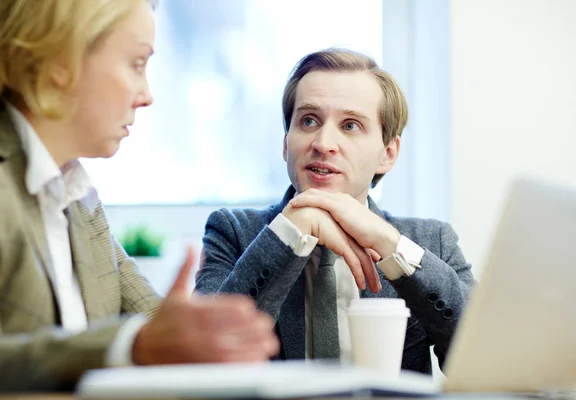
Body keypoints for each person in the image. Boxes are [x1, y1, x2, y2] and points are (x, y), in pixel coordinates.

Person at [0, 0, 278, 392]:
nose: (147, 95)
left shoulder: (78, 199)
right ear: (58, 59)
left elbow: (164, 329)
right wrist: (133, 345)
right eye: (137, 63)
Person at [195, 48, 475, 374]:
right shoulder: (232, 232)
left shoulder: (431, 241)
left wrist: (393, 246)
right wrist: (288, 234)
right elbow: (204, 358)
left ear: (387, 153)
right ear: (287, 143)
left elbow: (484, 357)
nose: (324, 143)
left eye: (351, 125)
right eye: (309, 120)